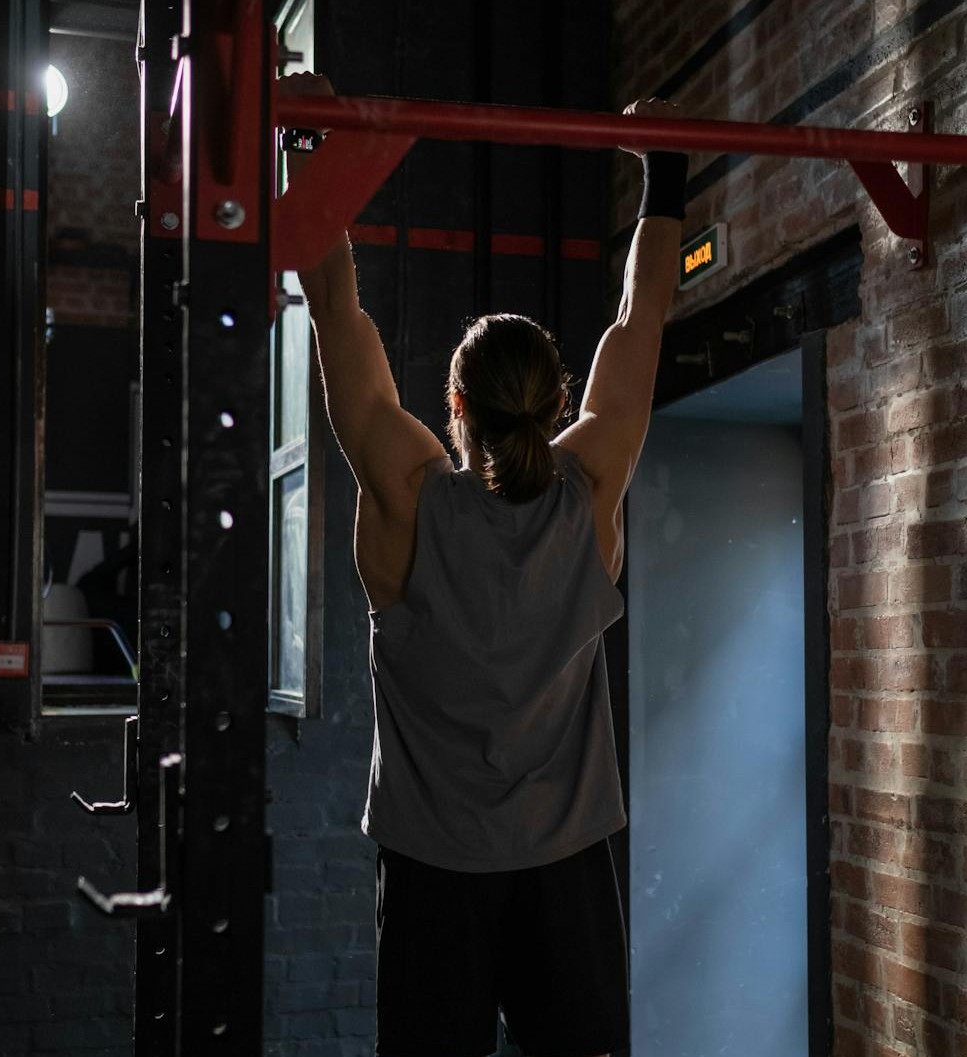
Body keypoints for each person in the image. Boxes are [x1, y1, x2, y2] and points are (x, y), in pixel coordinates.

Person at [281, 73, 684, 1057]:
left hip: (434, 876)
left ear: (452, 410)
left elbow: (334, 308)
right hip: (566, 870)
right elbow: (638, 325)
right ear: (554, 409)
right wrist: (663, 172)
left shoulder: (407, 502)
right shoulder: (587, 497)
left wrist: (306, 147)